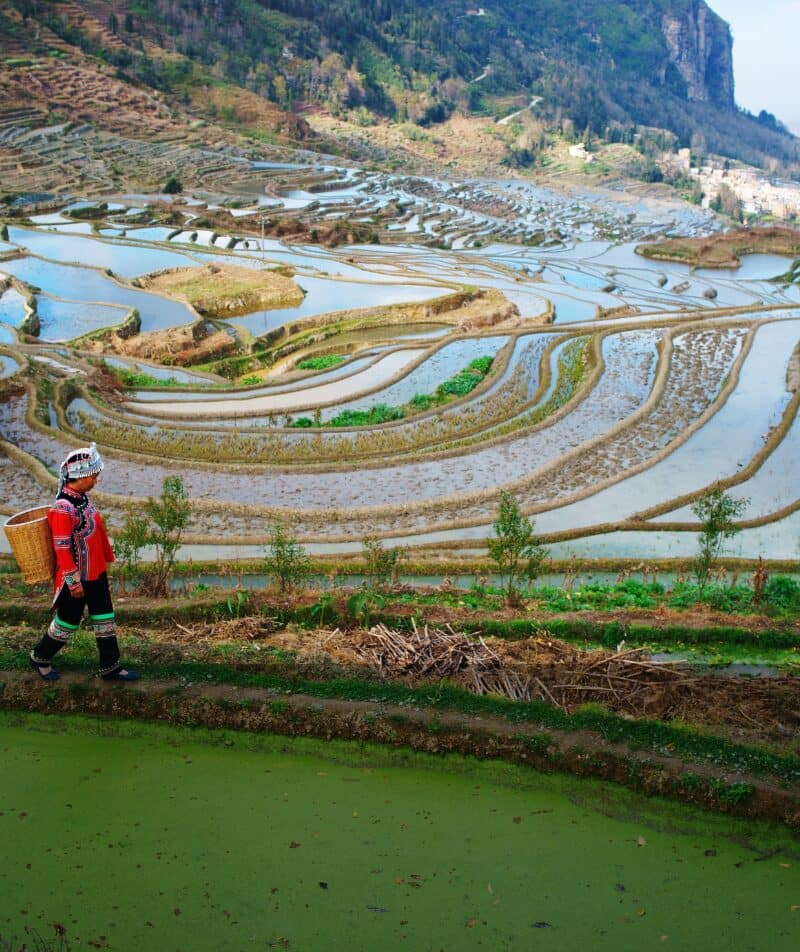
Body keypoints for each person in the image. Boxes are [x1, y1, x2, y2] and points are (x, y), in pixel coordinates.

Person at [29, 443, 139, 682]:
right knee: (67, 623)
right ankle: (40, 656)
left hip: (95, 573)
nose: (96, 480)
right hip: (76, 579)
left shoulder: (82, 498)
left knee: (104, 618)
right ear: (80, 476)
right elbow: (62, 547)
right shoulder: (63, 508)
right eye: (93, 476)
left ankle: (110, 666)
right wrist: (72, 581)